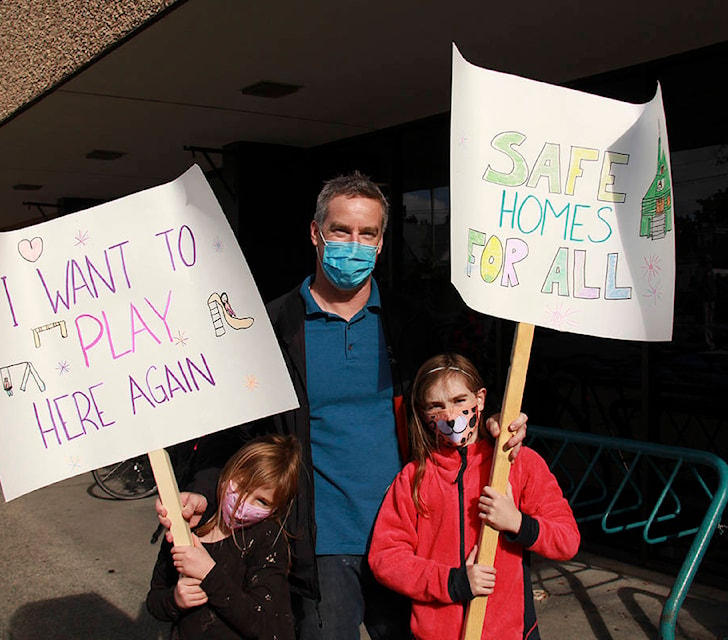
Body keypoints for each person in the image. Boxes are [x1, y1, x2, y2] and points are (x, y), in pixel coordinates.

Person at [158, 172, 528, 640]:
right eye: (340, 231)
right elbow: (235, 434)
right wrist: (204, 488)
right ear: (316, 233)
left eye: (367, 233)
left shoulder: (408, 323)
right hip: (320, 546)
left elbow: (448, 405)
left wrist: (494, 423)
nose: (353, 244)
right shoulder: (271, 327)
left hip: (410, 536)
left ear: (380, 242)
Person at [368, 354, 580, 640]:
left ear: (480, 399)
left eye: (459, 401)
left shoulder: (517, 464)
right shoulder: (413, 477)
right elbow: (386, 558)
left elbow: (567, 540)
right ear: (422, 413)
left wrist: (518, 522)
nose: (450, 416)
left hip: (510, 632)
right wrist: (452, 582)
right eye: (436, 406)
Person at [147, 434, 302, 640]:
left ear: (276, 509)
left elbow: (271, 628)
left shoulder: (267, 539)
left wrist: (209, 575)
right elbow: (155, 599)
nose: (244, 502)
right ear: (226, 475)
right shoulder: (188, 528)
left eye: (262, 501)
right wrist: (175, 599)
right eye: (242, 486)